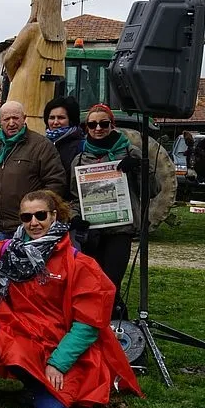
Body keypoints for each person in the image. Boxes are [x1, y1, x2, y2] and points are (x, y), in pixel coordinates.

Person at [0, 189, 143, 408]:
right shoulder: (8, 252)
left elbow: (87, 324)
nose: (33, 223)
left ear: (54, 216)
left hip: (63, 345)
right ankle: (35, 386)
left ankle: (39, 388)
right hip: (25, 340)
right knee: (7, 346)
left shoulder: (79, 264)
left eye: (40, 215)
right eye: (26, 217)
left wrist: (58, 363)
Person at [67, 104, 159, 319]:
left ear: (112, 125)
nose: (98, 128)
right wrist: (75, 217)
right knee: (94, 283)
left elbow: (153, 190)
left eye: (103, 123)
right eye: (92, 124)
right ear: (86, 127)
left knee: (111, 282)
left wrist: (138, 168)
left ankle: (116, 329)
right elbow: (74, 198)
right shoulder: (79, 160)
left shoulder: (130, 151)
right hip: (93, 232)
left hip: (120, 229)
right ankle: (112, 324)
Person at [0, 100, 66, 243]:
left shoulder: (41, 145)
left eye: (15, 118)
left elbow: (55, 182)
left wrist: (37, 213)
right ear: (0, 121)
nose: (11, 123)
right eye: (6, 119)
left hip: (28, 227)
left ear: (24, 118)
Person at [2, 0, 67, 133]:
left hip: (23, 87)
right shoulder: (63, 33)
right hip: (48, 92)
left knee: (20, 121)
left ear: (36, 5)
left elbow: (9, 58)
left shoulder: (31, 29)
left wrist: (14, 76)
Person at [44, 96, 84, 175]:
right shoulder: (41, 144)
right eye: (52, 118)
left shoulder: (81, 146)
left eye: (61, 118)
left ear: (71, 120)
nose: (55, 122)